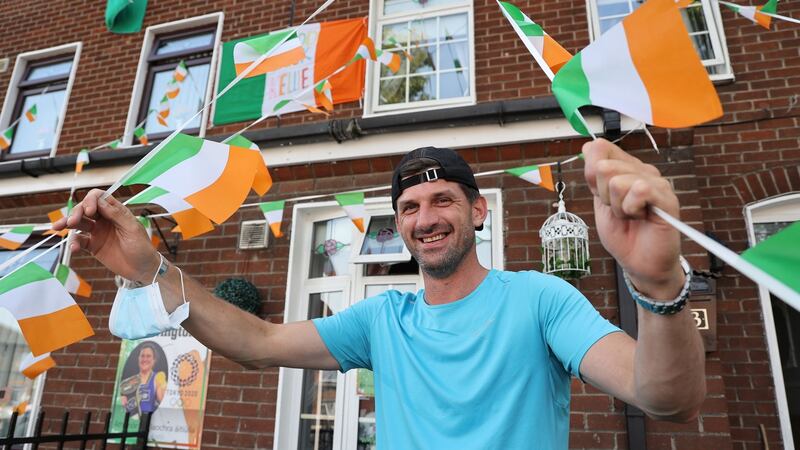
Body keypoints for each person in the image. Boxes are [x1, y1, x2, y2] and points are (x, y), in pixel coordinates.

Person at [57, 139, 706, 449]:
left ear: (479, 211)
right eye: (411, 206)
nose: (427, 217)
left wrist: (657, 282)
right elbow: (255, 342)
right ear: (399, 226)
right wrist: (149, 270)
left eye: (443, 199)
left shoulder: (541, 300)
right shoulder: (383, 318)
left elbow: (665, 398)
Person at [119, 343, 167, 417]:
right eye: (142, 356)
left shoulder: (158, 377)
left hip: (150, 423)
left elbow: (164, 403)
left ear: (154, 360)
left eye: (148, 356)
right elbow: (122, 407)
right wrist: (122, 401)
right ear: (138, 358)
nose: (144, 359)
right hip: (131, 424)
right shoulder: (130, 381)